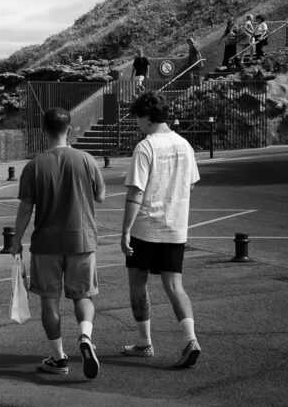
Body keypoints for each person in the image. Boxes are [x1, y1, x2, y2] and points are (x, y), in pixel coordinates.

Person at [11, 107, 106, 379]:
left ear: (44, 131)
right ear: (70, 129)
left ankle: (58, 357)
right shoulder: (86, 160)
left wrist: (16, 241)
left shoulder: (34, 166)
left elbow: (25, 209)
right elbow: (100, 196)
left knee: (49, 302)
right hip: (82, 241)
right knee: (83, 296)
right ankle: (85, 336)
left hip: (46, 244)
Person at [121, 91, 202, 369]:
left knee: (138, 284)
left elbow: (135, 191)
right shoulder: (184, 145)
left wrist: (125, 230)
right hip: (175, 227)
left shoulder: (146, 147)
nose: (137, 124)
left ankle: (144, 342)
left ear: (147, 116)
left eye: (138, 118)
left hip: (145, 227)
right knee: (175, 286)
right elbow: (191, 183)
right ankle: (191, 339)